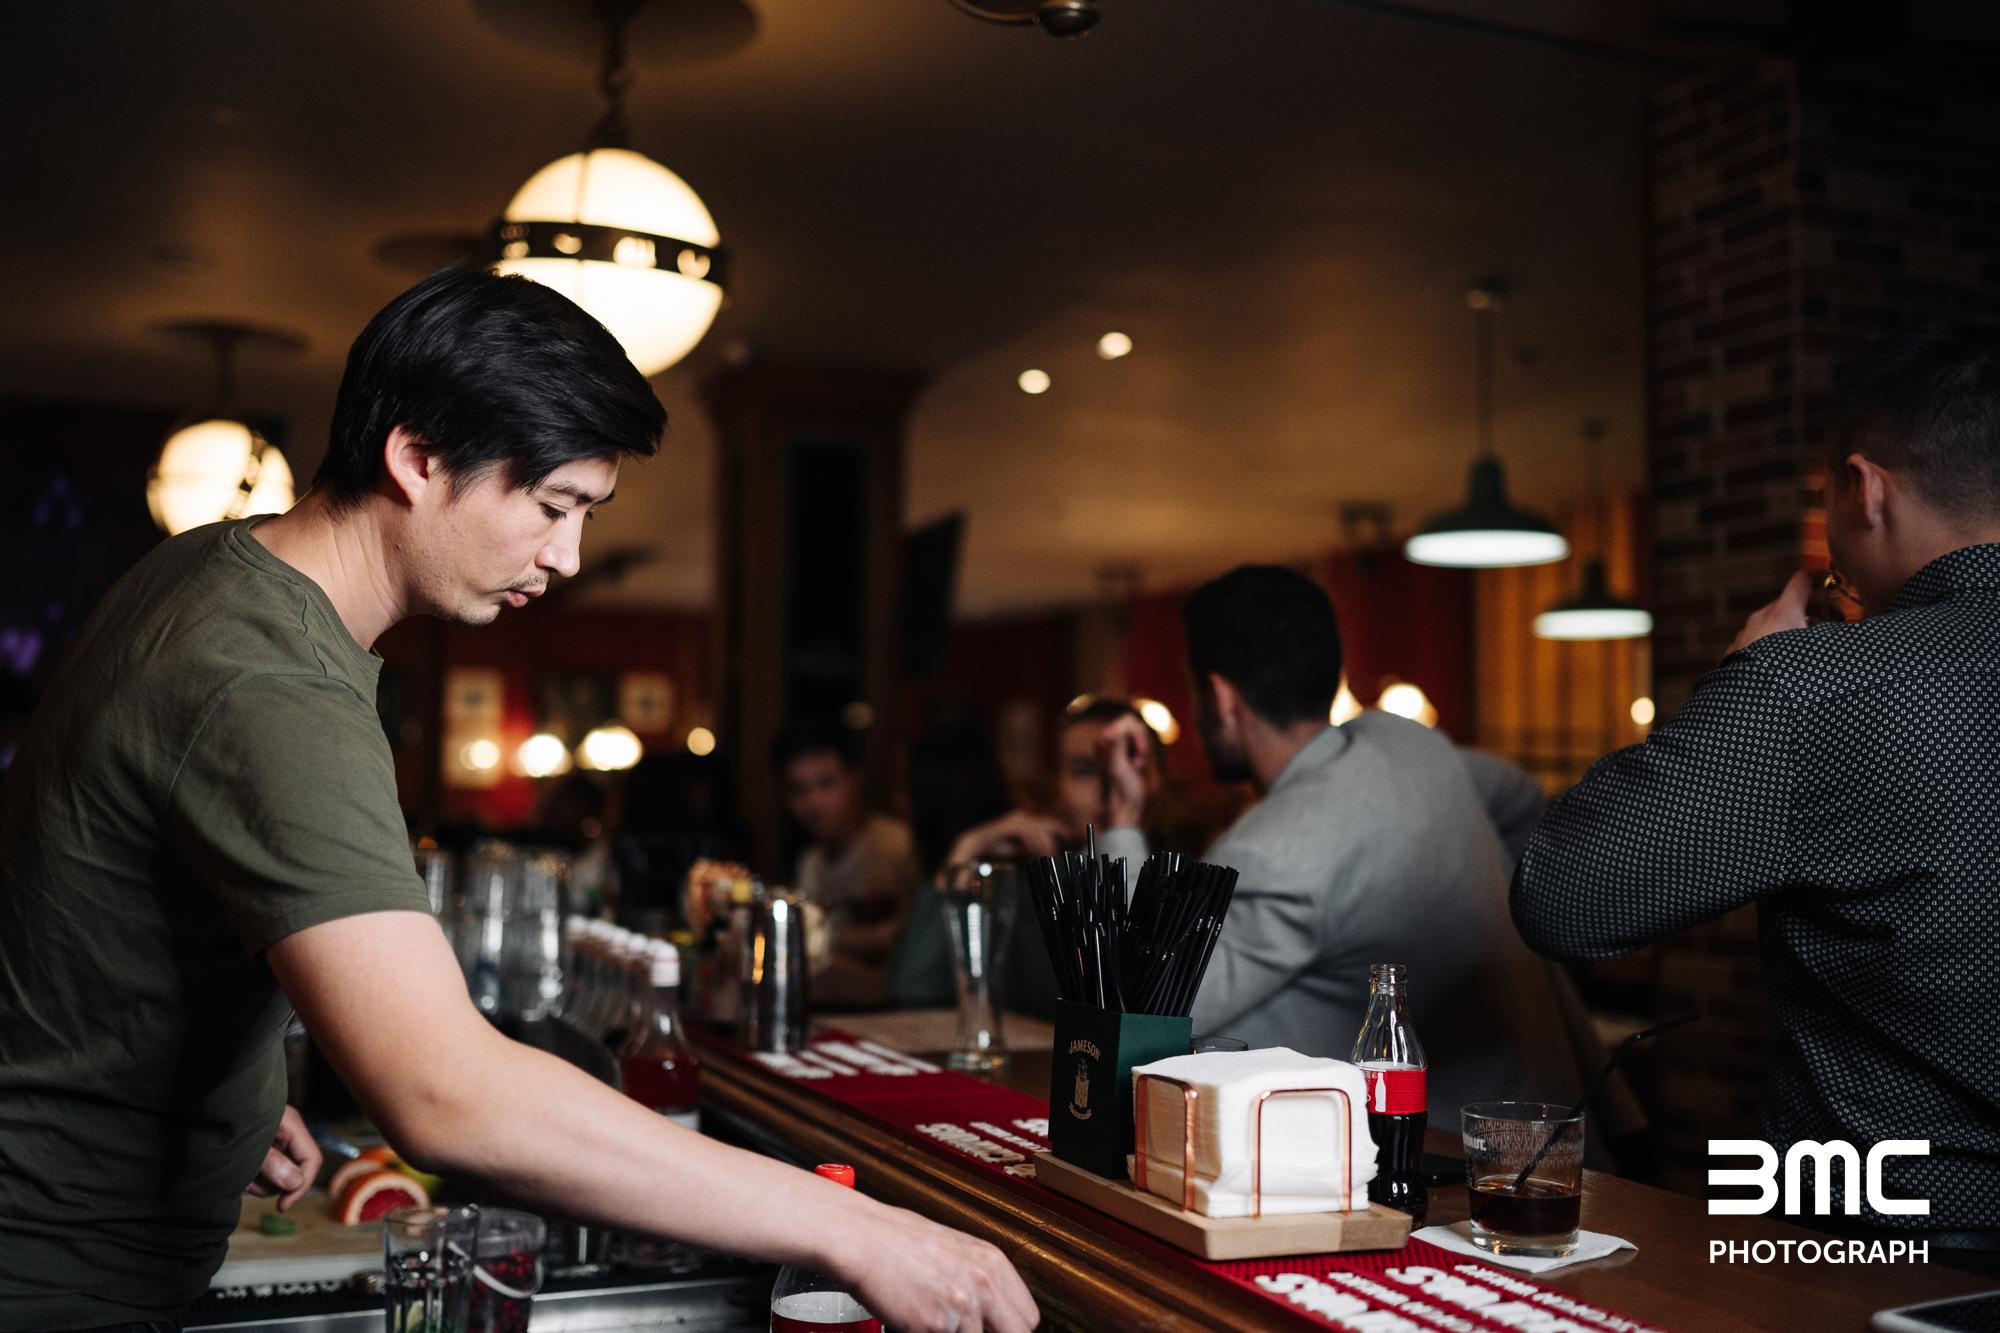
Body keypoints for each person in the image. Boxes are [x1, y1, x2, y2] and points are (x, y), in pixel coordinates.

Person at [0, 267, 1036, 1333]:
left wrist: (227, 1091)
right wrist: (857, 1229)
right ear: (416, 458)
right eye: (551, 505)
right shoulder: (270, 683)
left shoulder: (209, 573)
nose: (567, 555)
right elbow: (447, 1097)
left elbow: (100, 900)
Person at [1512, 321, 2000, 1259]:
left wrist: (1744, 684)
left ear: (1864, 489)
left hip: (1878, 1259)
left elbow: (1563, 892)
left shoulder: (1812, 687)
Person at [1097, 565, 1575, 1120]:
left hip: (1433, 1147)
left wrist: (1122, 820)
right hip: (1545, 1103)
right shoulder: (1409, 743)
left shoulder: (1275, 851)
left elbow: (1142, 1003)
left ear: (1221, 698)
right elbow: (1523, 796)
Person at [774, 719, 923, 1008]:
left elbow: (913, 941)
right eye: (800, 790)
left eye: (826, 783)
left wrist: (829, 940)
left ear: (855, 779)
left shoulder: (899, 847)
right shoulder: (809, 864)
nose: (815, 803)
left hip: (900, 1008)